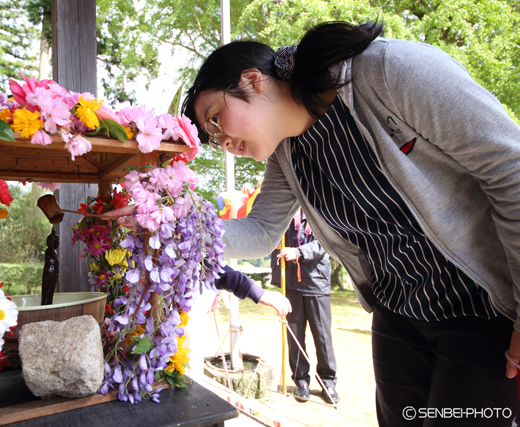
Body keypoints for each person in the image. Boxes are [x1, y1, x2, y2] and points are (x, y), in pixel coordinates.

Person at [171, 21, 520, 426]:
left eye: (215, 118)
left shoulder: (388, 71)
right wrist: (169, 225)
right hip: (398, 315)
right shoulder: (286, 154)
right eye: (212, 138)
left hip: (482, 312)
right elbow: (261, 232)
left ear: (253, 81)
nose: (222, 141)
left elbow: (510, 171)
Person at [271, 212, 337, 404]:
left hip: (317, 284)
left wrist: (299, 253)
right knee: (295, 336)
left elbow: (325, 242)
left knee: (322, 337)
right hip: (291, 285)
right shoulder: (285, 211)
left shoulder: (322, 209)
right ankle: (301, 382)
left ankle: (328, 383)